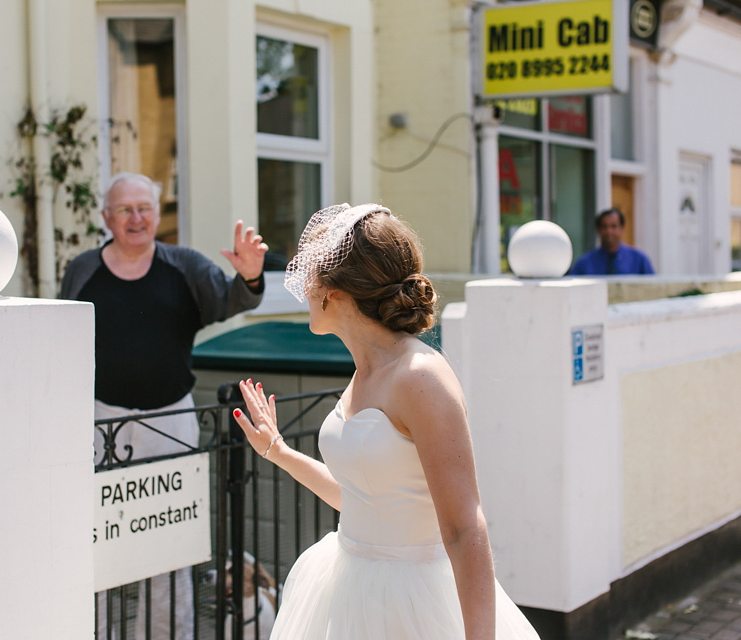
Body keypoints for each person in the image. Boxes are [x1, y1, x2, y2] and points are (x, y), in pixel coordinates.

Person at [232, 204, 540, 639]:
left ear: (336, 291)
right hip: (347, 584)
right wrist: (277, 451)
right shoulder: (366, 371)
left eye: (311, 275)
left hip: (414, 602)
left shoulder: (421, 377)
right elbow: (362, 501)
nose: (303, 286)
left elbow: (463, 526)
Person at [59, 172, 267, 640]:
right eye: (125, 209)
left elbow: (231, 298)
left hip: (170, 419)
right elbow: (60, 337)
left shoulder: (185, 267)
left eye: (145, 208)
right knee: (98, 536)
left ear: (157, 214)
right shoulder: (82, 270)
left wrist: (251, 273)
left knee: (169, 539)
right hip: (98, 421)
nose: (137, 218)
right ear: (106, 218)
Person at [569, 208, 655, 275]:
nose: (609, 231)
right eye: (604, 226)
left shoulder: (639, 260)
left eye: (613, 226)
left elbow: (652, 288)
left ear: (622, 228)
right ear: (598, 230)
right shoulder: (585, 263)